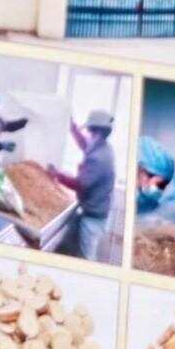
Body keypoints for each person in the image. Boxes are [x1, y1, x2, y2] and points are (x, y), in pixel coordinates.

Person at [55, 109, 118, 261]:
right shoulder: (103, 147)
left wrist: (57, 175)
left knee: (86, 257)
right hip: (96, 213)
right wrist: (72, 127)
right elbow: (84, 144)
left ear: (97, 131)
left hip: (93, 219)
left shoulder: (99, 157)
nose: (88, 134)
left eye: (90, 131)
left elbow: (80, 184)